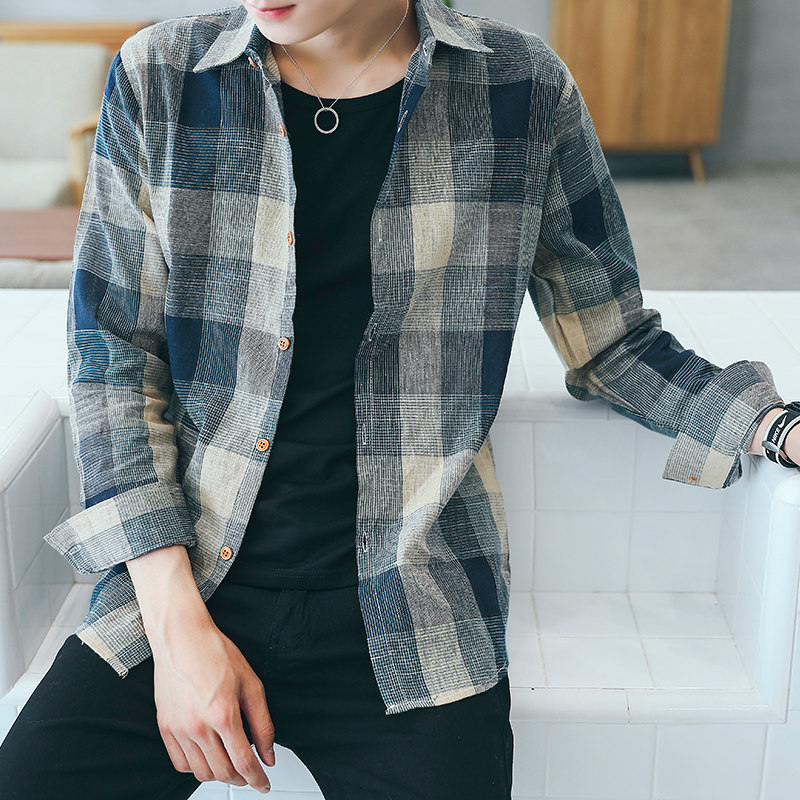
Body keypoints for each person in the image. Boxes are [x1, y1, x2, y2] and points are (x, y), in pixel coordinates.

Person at [1, 0, 798, 797]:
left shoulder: (520, 87)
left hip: (416, 609)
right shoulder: (162, 75)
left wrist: (771, 424)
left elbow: (612, 341)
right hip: (189, 584)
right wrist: (178, 635)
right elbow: (112, 358)